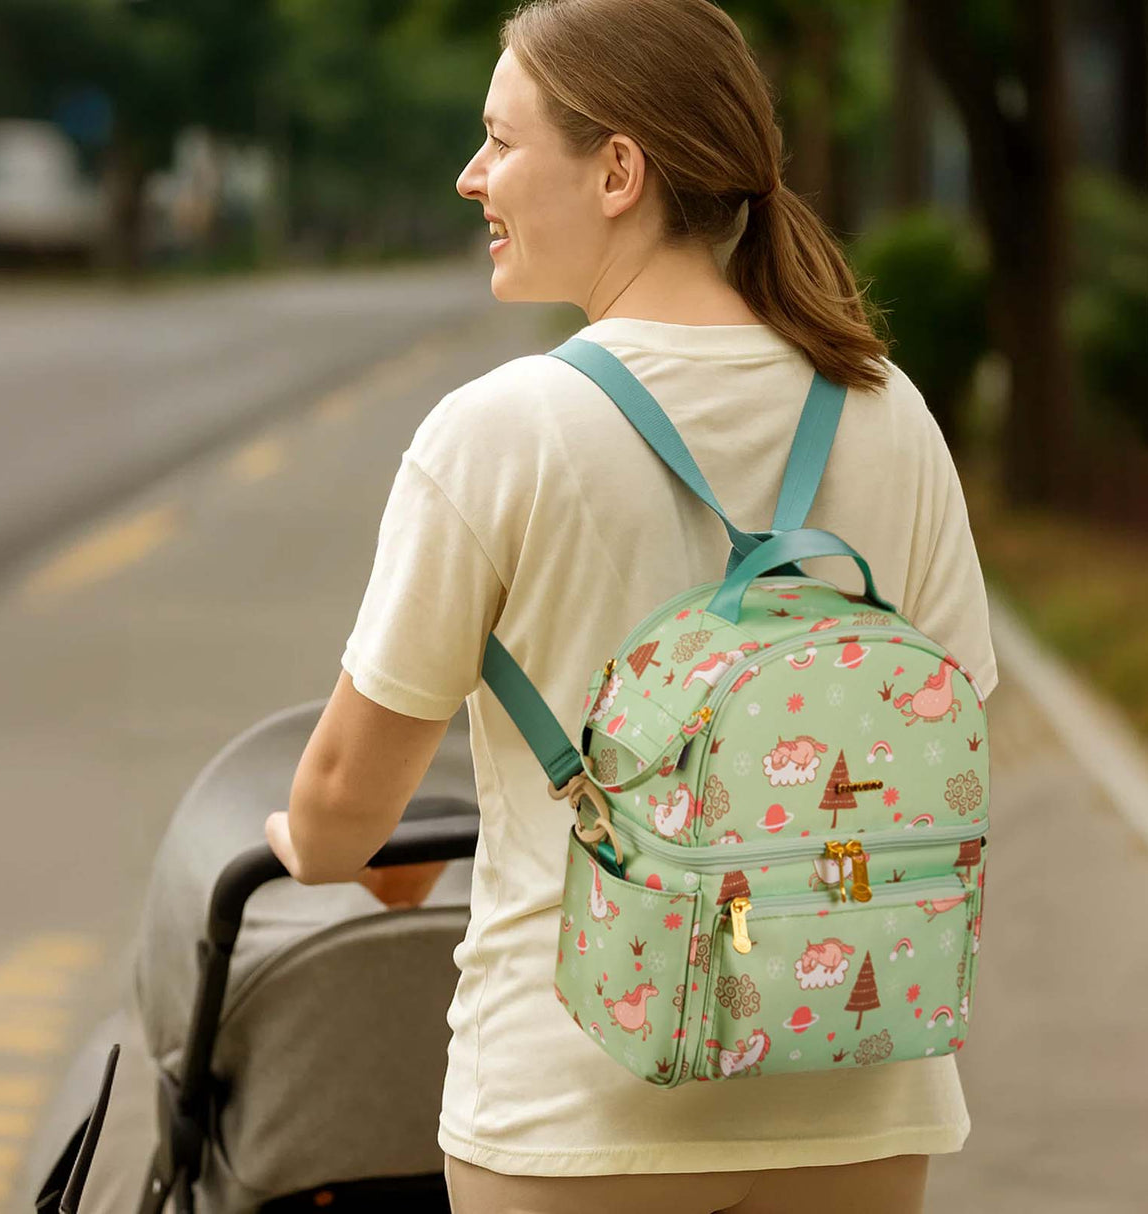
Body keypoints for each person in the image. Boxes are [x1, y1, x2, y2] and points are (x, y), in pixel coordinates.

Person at [337, 1, 998, 1210]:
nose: (470, 175)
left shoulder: (500, 429)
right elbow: (948, 729)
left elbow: (345, 802)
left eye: (500, 140)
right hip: (855, 1087)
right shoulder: (883, 407)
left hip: (574, 1112)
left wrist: (311, 842)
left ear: (617, 172)